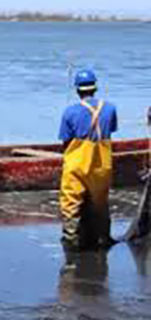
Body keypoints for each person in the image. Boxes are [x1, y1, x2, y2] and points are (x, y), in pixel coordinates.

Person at [59, 69, 117, 251]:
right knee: (100, 201)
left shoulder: (70, 112)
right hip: (102, 165)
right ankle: (102, 238)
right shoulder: (110, 108)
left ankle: (72, 240)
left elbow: (66, 142)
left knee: (70, 201)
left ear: (77, 90)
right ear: (95, 88)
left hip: (76, 164)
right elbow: (110, 131)